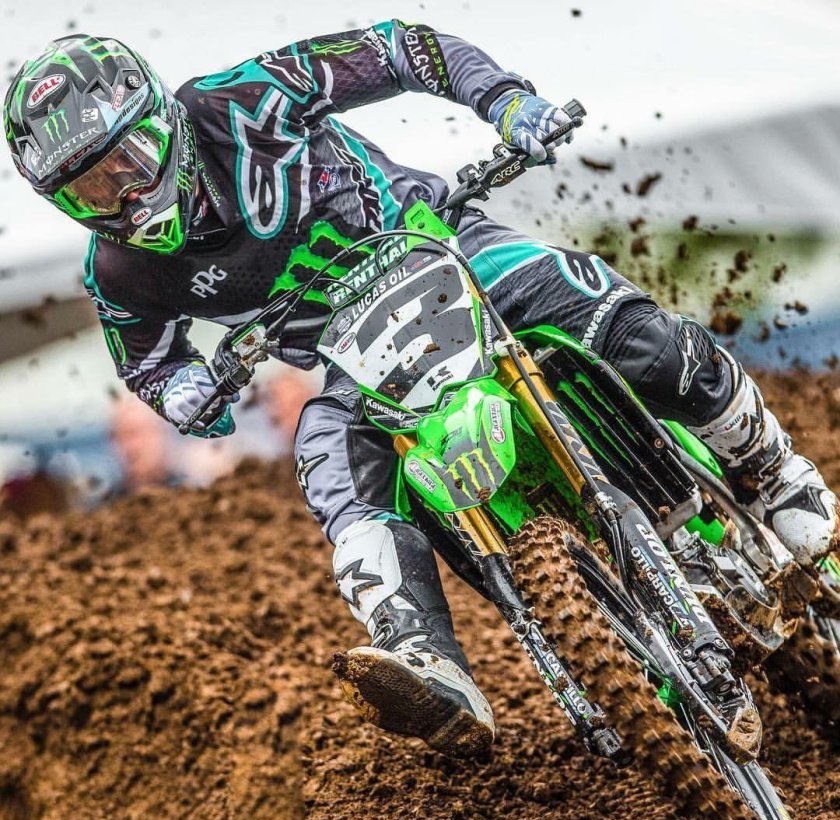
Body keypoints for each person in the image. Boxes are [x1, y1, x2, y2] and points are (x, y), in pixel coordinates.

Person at [5, 27, 838, 759]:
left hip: (447, 252)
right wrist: (185, 391)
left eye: (126, 163)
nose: (122, 197)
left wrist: (505, 102)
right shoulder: (119, 271)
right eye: (88, 191)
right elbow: (148, 362)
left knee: (610, 315)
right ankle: (423, 655)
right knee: (327, 461)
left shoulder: (246, 99)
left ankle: (775, 473)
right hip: (348, 355)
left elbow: (403, 48)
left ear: (161, 120)